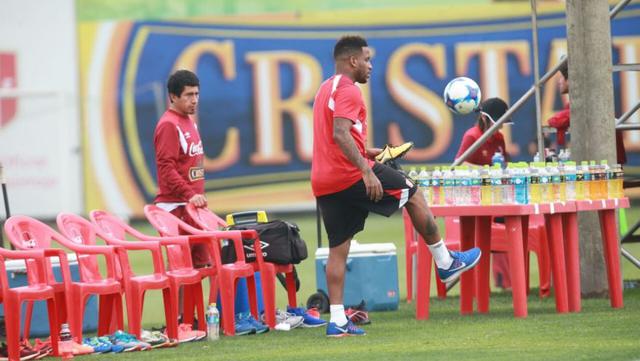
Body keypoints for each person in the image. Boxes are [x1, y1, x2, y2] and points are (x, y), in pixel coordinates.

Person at [311, 35, 481, 337]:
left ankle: (336, 320)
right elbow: (340, 134)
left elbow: (336, 138)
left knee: (339, 249)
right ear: (353, 61)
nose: (370, 66)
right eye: (367, 59)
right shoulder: (349, 90)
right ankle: (445, 261)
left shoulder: (326, 88)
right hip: (349, 175)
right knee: (413, 194)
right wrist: (367, 170)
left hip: (325, 181)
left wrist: (372, 153)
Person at [153, 69, 210, 268]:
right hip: (175, 206)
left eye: (196, 94)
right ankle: (178, 302)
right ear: (173, 96)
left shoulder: (189, 122)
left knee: (203, 265)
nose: (194, 100)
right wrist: (189, 194)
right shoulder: (169, 124)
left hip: (193, 207)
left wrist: (196, 197)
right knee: (181, 270)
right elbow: (166, 168)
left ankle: (201, 302)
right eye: (188, 95)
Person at [455, 97, 513, 290]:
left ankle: (507, 282)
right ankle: (476, 286)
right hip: (473, 199)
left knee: (511, 222)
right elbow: (458, 165)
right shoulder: (472, 136)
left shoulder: (499, 138)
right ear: (485, 119)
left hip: (497, 199)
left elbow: (505, 165)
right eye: (498, 123)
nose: (501, 128)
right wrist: (485, 171)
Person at [547, 60, 627, 164]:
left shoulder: (590, 101)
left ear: (571, 80)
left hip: (606, 167)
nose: (559, 81)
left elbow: (558, 120)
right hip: (602, 165)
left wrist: (553, 120)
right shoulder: (581, 101)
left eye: (562, 77)